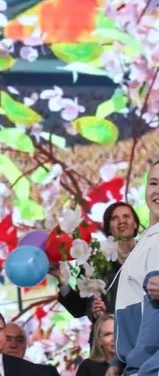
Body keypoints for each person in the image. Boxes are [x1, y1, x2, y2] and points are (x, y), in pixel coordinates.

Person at [51, 201, 139, 346]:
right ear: (108, 228)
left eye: (126, 216)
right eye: (115, 218)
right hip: (108, 346)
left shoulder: (150, 254)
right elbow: (77, 309)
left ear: (135, 224)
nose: (121, 221)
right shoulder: (95, 262)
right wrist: (61, 278)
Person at [110, 161, 159, 376]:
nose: (158, 191)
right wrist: (118, 361)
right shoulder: (147, 240)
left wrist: (142, 369)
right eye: (154, 183)